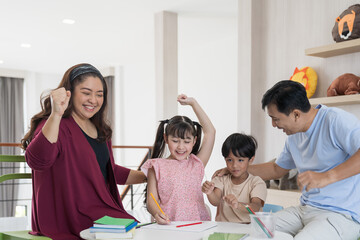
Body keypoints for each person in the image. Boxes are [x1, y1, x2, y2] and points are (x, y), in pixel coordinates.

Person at [217, 80, 360, 239]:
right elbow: (277, 169)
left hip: (341, 214)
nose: (273, 124)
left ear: (296, 114)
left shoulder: (335, 120)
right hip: (305, 210)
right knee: (254, 232)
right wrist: (238, 168)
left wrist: (327, 177)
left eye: (276, 118)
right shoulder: (294, 136)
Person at [21, 63, 146, 240]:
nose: (93, 100)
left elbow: (110, 171)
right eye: (86, 93)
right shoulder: (56, 124)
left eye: (99, 94)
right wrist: (55, 114)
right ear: (69, 93)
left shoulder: (101, 130)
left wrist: (149, 175)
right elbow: (38, 161)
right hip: (67, 216)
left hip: (99, 213)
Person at [141, 94, 216, 224]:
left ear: (194, 141)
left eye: (187, 141)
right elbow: (151, 200)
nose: (181, 147)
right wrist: (156, 213)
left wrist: (193, 103)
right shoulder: (156, 166)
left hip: (198, 226)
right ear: (166, 138)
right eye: (175, 141)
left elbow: (210, 132)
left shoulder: (196, 163)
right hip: (169, 226)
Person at [202, 133, 267, 223]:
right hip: (224, 231)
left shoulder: (256, 183)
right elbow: (216, 201)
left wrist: (238, 205)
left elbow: (256, 206)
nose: (234, 165)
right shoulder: (221, 178)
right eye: (230, 160)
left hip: (247, 229)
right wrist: (209, 192)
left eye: (240, 160)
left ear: (251, 160)